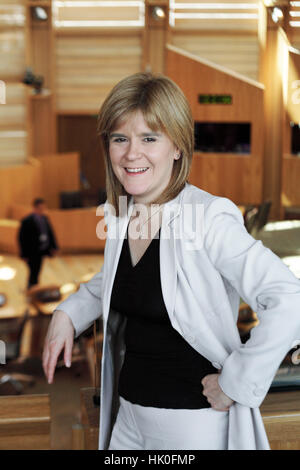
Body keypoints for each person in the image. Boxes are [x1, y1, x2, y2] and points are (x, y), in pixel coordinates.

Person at [42, 72, 300, 450]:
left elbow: (289, 298)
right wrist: (68, 313)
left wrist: (236, 382)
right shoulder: (121, 214)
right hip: (128, 416)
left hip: (191, 425)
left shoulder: (210, 216)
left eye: (149, 138)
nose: (132, 153)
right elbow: (118, 280)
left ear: (177, 147)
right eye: (120, 139)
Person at [18, 198, 59, 289]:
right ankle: (32, 288)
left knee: (37, 270)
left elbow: (50, 233)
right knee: (33, 270)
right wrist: (23, 254)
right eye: (40, 208)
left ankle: (34, 287)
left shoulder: (45, 218)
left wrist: (54, 247)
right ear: (35, 208)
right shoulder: (26, 221)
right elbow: (21, 239)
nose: (42, 210)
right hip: (31, 252)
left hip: (42, 249)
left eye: (44, 208)